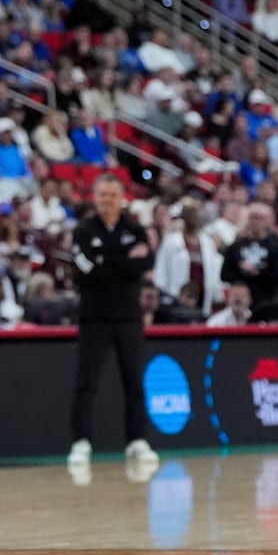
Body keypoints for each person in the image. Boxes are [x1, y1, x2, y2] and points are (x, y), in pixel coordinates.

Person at [67, 175, 159, 475]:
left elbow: (145, 263)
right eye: (102, 194)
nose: (108, 199)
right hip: (94, 318)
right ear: (95, 197)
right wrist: (123, 263)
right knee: (87, 381)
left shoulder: (135, 229)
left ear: (123, 198)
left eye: (113, 194)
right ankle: (81, 441)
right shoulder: (83, 230)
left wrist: (106, 261)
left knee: (134, 380)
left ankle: (137, 440)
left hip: (129, 317)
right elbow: (84, 271)